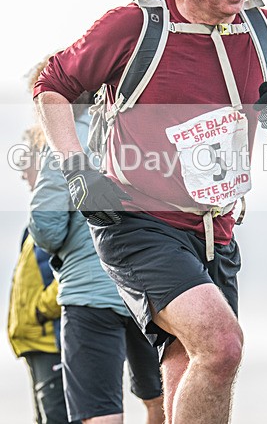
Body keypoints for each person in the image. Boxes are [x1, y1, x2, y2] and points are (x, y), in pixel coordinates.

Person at [33, 0, 267, 424]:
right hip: (137, 222)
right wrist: (76, 170)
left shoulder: (266, 31)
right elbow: (53, 88)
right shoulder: (134, 26)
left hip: (215, 232)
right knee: (223, 345)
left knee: (190, 366)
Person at [30, 91, 164, 424]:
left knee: (101, 413)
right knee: (160, 399)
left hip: (91, 295)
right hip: (154, 290)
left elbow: (47, 226)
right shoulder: (147, 129)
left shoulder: (68, 138)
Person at [8, 124, 72, 424]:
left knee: (58, 417)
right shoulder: (34, 226)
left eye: (26, 164)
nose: (22, 174)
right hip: (36, 340)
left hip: (53, 338)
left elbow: (72, 268)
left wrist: (41, 310)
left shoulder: (60, 215)